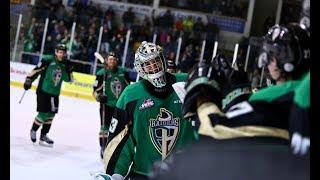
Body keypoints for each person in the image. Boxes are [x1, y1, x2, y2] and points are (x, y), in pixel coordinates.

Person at [150, 23, 310, 180]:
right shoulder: (298, 93)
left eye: (271, 54)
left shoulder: (274, 100)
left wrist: (203, 99)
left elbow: (213, 131)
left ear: (277, 61)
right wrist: (239, 92)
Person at [92, 41, 197, 180]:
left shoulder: (185, 84)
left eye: (155, 61)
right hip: (144, 173)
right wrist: (114, 174)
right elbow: (120, 139)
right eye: (147, 64)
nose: (153, 67)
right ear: (140, 68)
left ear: (163, 60)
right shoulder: (131, 95)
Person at [24, 44, 73, 147]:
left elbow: (68, 80)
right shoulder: (47, 60)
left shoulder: (65, 64)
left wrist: (69, 70)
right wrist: (29, 79)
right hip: (43, 91)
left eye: (63, 52)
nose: (61, 54)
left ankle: (43, 135)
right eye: (60, 52)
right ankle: (33, 130)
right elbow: (37, 70)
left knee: (51, 115)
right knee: (43, 113)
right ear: (56, 52)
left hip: (55, 93)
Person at [92, 52, 131, 159]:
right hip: (106, 106)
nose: (112, 61)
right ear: (107, 61)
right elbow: (94, 91)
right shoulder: (101, 73)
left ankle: (114, 147)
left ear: (117, 61)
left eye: (114, 59)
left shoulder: (123, 73)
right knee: (105, 128)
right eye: (110, 59)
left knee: (119, 128)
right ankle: (103, 147)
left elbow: (129, 89)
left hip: (120, 107)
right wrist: (99, 97)